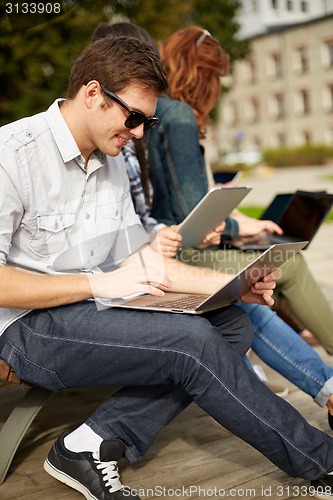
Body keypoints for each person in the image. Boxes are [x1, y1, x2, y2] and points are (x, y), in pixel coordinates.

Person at [1, 35, 333, 500]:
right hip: (25, 328)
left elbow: (147, 263)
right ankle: (321, 461)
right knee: (191, 342)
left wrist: (236, 284)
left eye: (146, 121)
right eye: (133, 117)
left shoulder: (112, 160)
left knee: (233, 326)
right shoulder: (13, 153)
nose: (139, 132)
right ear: (93, 93)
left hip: (95, 308)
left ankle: (91, 442)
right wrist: (101, 282)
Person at [92, 21, 333, 417]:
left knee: (253, 291)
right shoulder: (172, 119)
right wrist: (232, 226)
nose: (137, 132)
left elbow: (145, 216)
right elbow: (184, 214)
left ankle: (320, 388)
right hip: (161, 261)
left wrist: (189, 228)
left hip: (160, 252)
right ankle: (317, 387)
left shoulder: (137, 129)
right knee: (272, 273)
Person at [146, 25, 333, 359]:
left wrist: (236, 220)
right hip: (183, 255)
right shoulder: (181, 118)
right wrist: (238, 228)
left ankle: (312, 380)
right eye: (217, 78)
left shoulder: (150, 113)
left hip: (161, 247)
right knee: (289, 263)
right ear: (204, 76)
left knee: (271, 260)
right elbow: (197, 223)